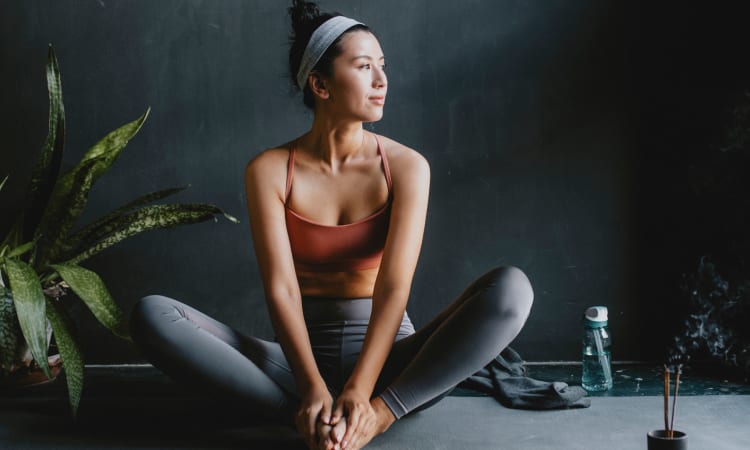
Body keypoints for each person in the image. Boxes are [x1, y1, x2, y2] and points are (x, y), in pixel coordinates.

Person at [129, 1, 534, 449]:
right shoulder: (268, 169)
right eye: (364, 67)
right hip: (297, 362)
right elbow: (281, 290)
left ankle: (378, 418)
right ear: (320, 84)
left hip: (391, 366)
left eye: (382, 66)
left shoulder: (406, 166)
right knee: (153, 314)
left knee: (511, 289)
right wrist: (310, 388)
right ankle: (309, 419)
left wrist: (366, 395)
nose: (382, 81)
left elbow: (394, 287)